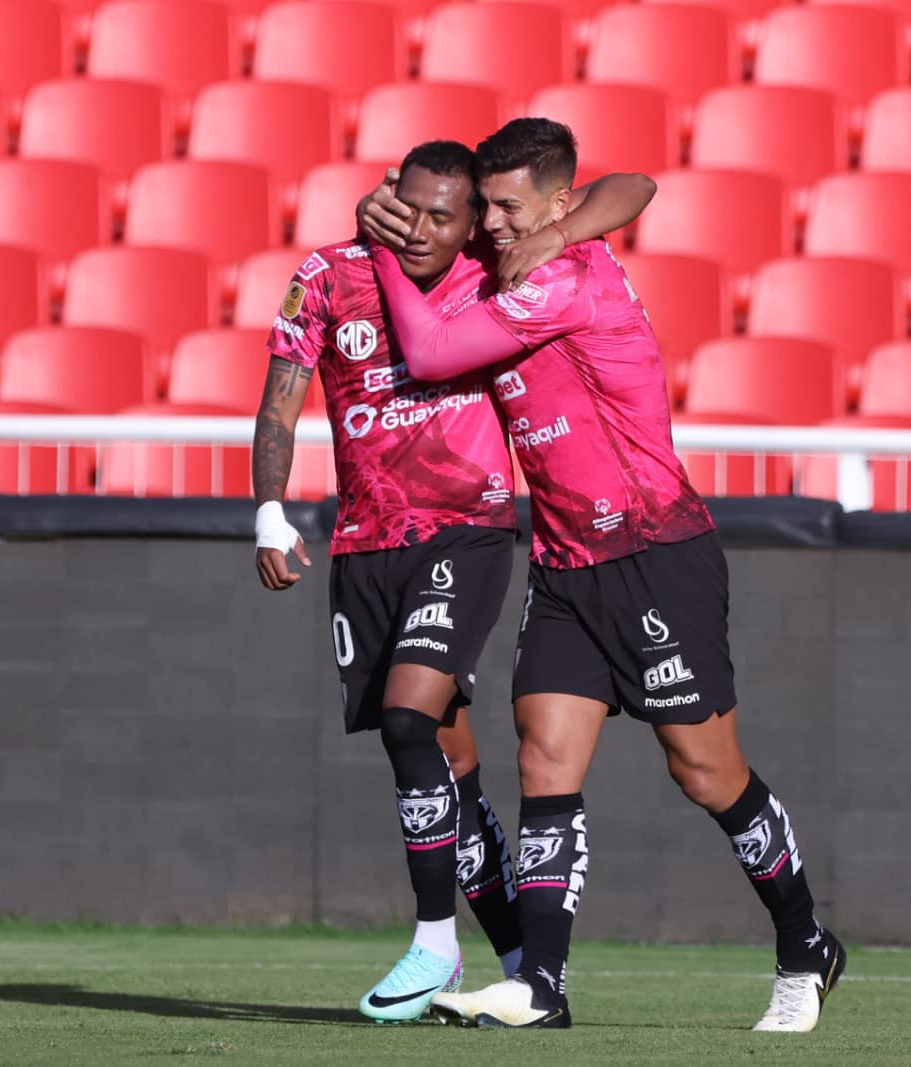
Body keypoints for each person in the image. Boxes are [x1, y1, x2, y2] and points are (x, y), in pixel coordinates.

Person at [362, 118, 846, 1032]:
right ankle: (540, 985)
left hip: (655, 554)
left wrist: (393, 254)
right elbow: (629, 187)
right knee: (544, 757)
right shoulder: (510, 269)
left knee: (705, 773)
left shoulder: (570, 277)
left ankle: (805, 940)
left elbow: (430, 350)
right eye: (489, 207)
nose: (494, 223)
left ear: (558, 204)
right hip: (565, 561)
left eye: (511, 207)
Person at [251, 138, 657, 1024]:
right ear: (389, 197)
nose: (428, 229)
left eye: (449, 215)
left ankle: (435, 939)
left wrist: (559, 232)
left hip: (467, 533)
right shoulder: (327, 273)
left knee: (406, 722)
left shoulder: (494, 263)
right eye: (415, 209)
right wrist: (270, 510)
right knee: (450, 768)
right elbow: (281, 392)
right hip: (364, 543)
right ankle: (523, 968)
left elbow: (634, 184)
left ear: (474, 219)